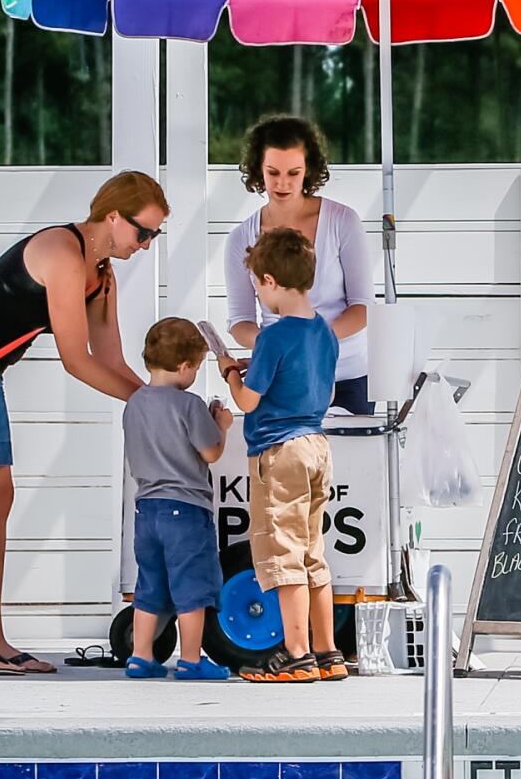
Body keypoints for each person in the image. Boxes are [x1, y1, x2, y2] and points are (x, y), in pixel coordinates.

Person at [0, 171, 165, 676]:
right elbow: (77, 360)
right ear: (113, 217)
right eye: (143, 232)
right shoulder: (63, 253)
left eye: (154, 235)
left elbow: (111, 358)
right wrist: (152, 406)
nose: (147, 245)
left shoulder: (101, 275)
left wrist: (158, 400)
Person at [224, 227, 340, 684]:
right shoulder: (325, 332)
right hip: (316, 443)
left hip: (280, 450)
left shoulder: (270, 338)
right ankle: (327, 651)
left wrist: (232, 374)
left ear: (270, 280)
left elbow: (248, 403)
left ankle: (296, 654)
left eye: (256, 284)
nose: (256, 292)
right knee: (314, 553)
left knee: (283, 554)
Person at [224, 114, 375, 415]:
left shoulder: (343, 221)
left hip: (346, 375)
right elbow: (240, 322)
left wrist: (307, 341)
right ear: (258, 170)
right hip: (280, 379)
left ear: (309, 171)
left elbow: (363, 307)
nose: (282, 183)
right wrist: (277, 349)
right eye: (273, 172)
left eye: (293, 173)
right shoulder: (241, 237)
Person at [121, 319, 232, 682]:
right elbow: (211, 453)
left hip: (146, 508)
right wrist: (223, 426)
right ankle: (190, 659)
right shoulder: (189, 405)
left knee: (149, 585)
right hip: (185, 509)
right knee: (192, 588)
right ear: (185, 366)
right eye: (197, 368)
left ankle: (140, 656)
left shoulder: (134, 403)